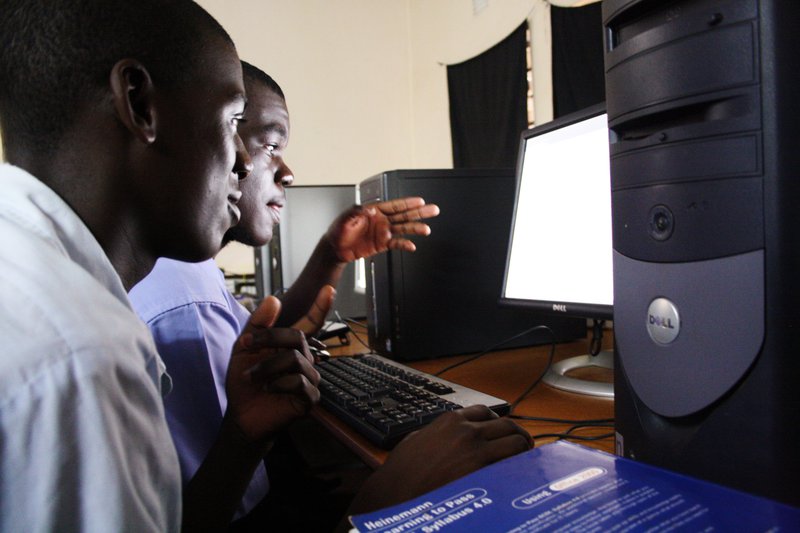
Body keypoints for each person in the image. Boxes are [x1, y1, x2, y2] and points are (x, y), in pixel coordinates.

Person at [0, 1, 531, 530]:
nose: (244, 159)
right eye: (235, 121)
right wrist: (380, 509)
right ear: (140, 104)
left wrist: (242, 432)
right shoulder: (78, 357)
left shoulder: (36, 270)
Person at [127, 61, 448, 528]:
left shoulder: (182, 270)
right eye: (270, 145)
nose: (288, 172)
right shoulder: (182, 301)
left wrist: (330, 254)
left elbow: (248, 348)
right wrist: (384, 501)